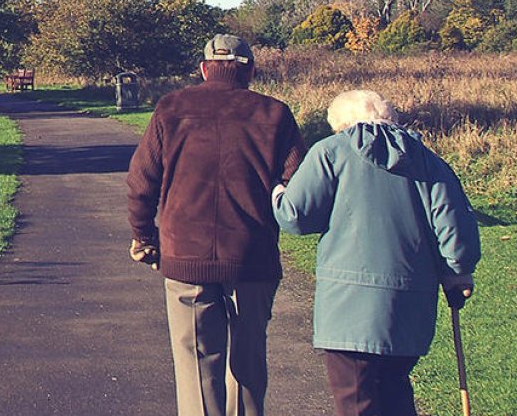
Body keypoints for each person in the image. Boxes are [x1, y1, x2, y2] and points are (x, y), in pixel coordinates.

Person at [127, 34, 307, 416]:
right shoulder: (275, 114)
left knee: (195, 364)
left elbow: (141, 182)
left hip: (185, 255)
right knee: (248, 364)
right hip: (252, 257)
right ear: (251, 71)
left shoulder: (171, 108)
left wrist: (144, 237)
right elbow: (298, 187)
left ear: (204, 68)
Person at [272, 89, 481, 416]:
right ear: (390, 117)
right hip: (409, 308)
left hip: (347, 310)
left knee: (357, 401)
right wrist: (458, 271)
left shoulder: (330, 152)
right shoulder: (427, 159)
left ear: (340, 124)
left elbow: (295, 216)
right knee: (395, 393)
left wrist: (279, 192)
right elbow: (455, 232)